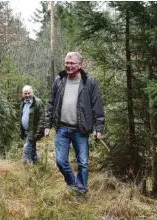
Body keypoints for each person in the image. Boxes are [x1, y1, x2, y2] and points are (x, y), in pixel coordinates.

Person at [44, 52, 105, 194]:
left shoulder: (89, 81)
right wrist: (47, 125)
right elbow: (51, 104)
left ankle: (81, 190)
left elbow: (97, 105)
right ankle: (73, 184)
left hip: (81, 129)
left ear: (80, 65)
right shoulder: (59, 80)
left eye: (72, 63)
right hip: (62, 128)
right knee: (60, 161)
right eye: (67, 62)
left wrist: (99, 127)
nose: (68, 65)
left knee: (83, 163)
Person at [19, 85, 46, 164]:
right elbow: (22, 117)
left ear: (32, 92)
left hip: (33, 131)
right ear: (23, 94)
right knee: (32, 149)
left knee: (26, 149)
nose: (27, 95)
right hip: (26, 131)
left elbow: (42, 118)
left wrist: (38, 132)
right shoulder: (23, 103)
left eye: (29, 93)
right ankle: (36, 163)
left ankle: (26, 166)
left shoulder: (38, 102)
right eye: (25, 93)